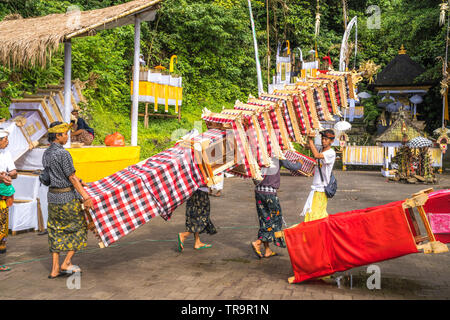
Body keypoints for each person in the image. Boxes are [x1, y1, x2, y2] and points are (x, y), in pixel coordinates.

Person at [43, 121, 94, 279]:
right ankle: (66, 263)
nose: (67, 136)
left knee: (55, 231)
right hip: (67, 198)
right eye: (65, 134)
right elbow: (70, 177)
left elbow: (60, 174)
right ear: (57, 136)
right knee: (79, 228)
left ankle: (54, 269)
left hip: (52, 197)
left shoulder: (47, 153)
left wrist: (80, 180)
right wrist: (86, 196)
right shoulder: (63, 153)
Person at [251, 157, 304, 259]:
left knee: (264, 220)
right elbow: (293, 167)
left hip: (258, 191)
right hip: (270, 193)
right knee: (275, 221)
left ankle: (267, 250)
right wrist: (300, 163)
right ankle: (258, 242)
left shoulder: (258, 153)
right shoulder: (276, 153)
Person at [301, 129, 336, 222]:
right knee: (314, 213)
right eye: (322, 139)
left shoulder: (331, 153)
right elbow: (307, 146)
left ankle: (320, 233)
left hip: (321, 189)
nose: (323, 141)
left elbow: (316, 155)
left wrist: (311, 140)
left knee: (317, 215)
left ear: (332, 141)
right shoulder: (320, 148)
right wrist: (307, 135)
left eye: (326, 139)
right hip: (316, 188)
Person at [177, 186, 217, 251]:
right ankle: (184, 235)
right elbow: (204, 180)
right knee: (203, 216)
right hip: (201, 193)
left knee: (195, 216)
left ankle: (197, 242)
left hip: (192, 192)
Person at [0, 129, 17, 272]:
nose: (7, 141)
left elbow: (14, 172)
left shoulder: (6, 153)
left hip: (3, 197)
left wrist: (7, 174)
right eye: (5, 139)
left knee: (2, 227)